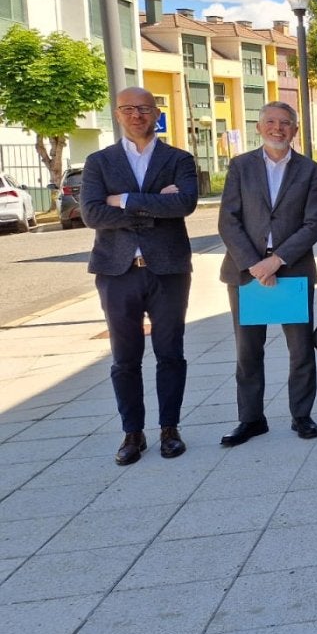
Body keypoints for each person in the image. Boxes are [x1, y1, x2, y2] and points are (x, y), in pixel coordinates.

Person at [81, 86, 198, 465]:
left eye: (145, 108)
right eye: (129, 108)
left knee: (170, 353)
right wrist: (155, 204)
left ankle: (169, 429)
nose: (137, 115)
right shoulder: (99, 161)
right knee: (125, 359)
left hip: (168, 271)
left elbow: (184, 204)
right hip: (117, 271)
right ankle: (132, 434)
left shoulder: (178, 158)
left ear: (156, 113)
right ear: (117, 114)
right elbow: (93, 214)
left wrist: (125, 199)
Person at [217, 102, 317, 446]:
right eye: (270, 122)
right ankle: (251, 419)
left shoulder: (309, 170)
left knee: (300, 350)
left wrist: (275, 260)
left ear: (295, 130)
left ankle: (302, 415)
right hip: (246, 273)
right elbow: (228, 220)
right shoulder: (240, 166)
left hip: (291, 271)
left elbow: (313, 224)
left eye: (285, 123)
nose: (278, 128)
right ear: (259, 127)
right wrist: (254, 263)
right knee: (248, 351)